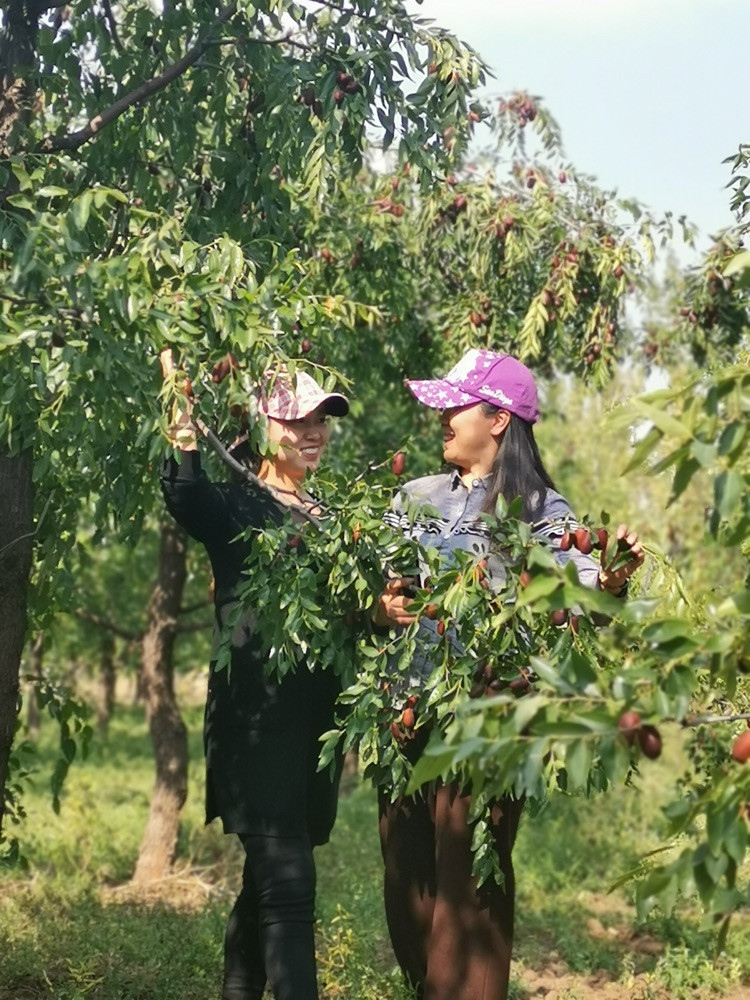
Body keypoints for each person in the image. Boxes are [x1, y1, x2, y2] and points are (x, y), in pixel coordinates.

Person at [373, 348, 644, 1000]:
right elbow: (373, 595)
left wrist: (609, 583)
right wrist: (381, 610)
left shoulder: (544, 514)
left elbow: (581, 605)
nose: (440, 417)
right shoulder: (414, 498)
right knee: (407, 882)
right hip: (407, 713)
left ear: (497, 420)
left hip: (490, 721)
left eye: (453, 405)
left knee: (470, 889)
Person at [159, 350, 350, 1000]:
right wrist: (184, 437)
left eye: (322, 419)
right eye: (297, 420)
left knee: (265, 881)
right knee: (290, 890)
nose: (313, 432)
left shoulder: (334, 522)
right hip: (254, 729)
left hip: (313, 737)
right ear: (266, 426)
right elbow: (188, 495)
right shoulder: (240, 506)